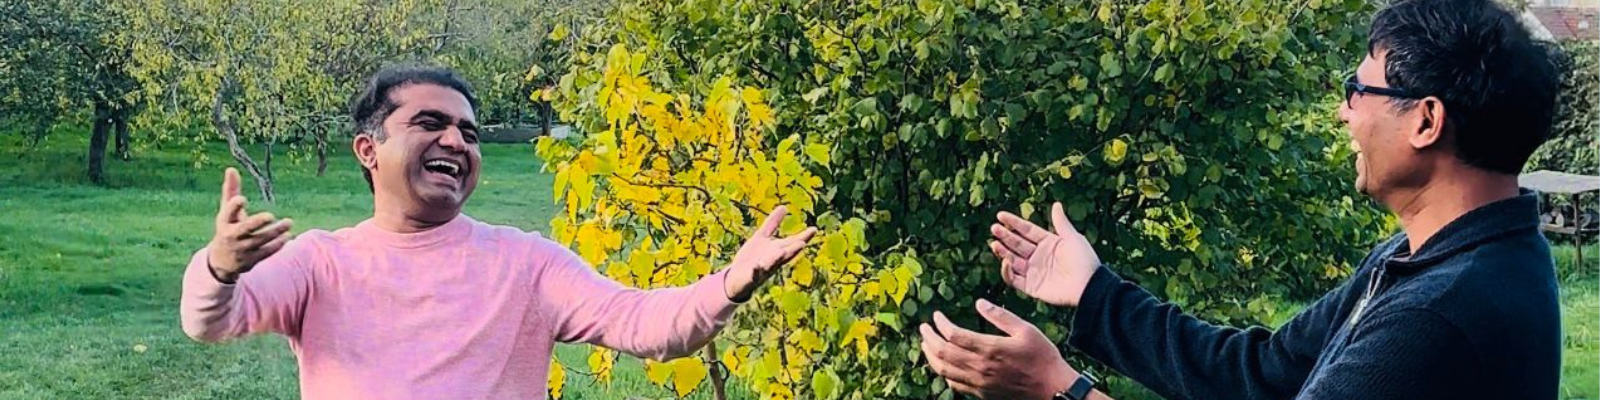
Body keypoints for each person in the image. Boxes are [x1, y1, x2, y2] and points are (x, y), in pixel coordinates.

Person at [919, 0, 1563, 398]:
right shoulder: (1431, 256)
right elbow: (1264, 373)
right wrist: (1096, 295)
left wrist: (1057, 390)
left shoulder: (1438, 314)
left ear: (1425, 120)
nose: (1343, 114)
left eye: (1356, 90)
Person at [180, 65, 817, 399]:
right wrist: (220, 266)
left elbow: (647, 325)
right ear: (369, 149)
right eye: (430, 123)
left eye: (470, 132)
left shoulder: (525, 262)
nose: (456, 141)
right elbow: (208, 321)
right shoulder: (320, 263)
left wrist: (733, 282)